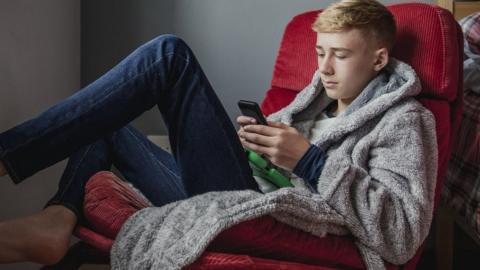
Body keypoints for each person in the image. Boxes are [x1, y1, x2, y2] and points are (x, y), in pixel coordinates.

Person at [0, 0, 437, 267]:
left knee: (168, 56)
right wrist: (254, 145)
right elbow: (268, 167)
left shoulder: (404, 121)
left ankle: (6, 155)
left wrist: (310, 159)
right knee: (106, 120)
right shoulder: (312, 101)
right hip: (245, 192)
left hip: (267, 214)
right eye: (320, 52)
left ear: (379, 60)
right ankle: (56, 221)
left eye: (339, 55)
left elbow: (400, 234)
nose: (323, 68)